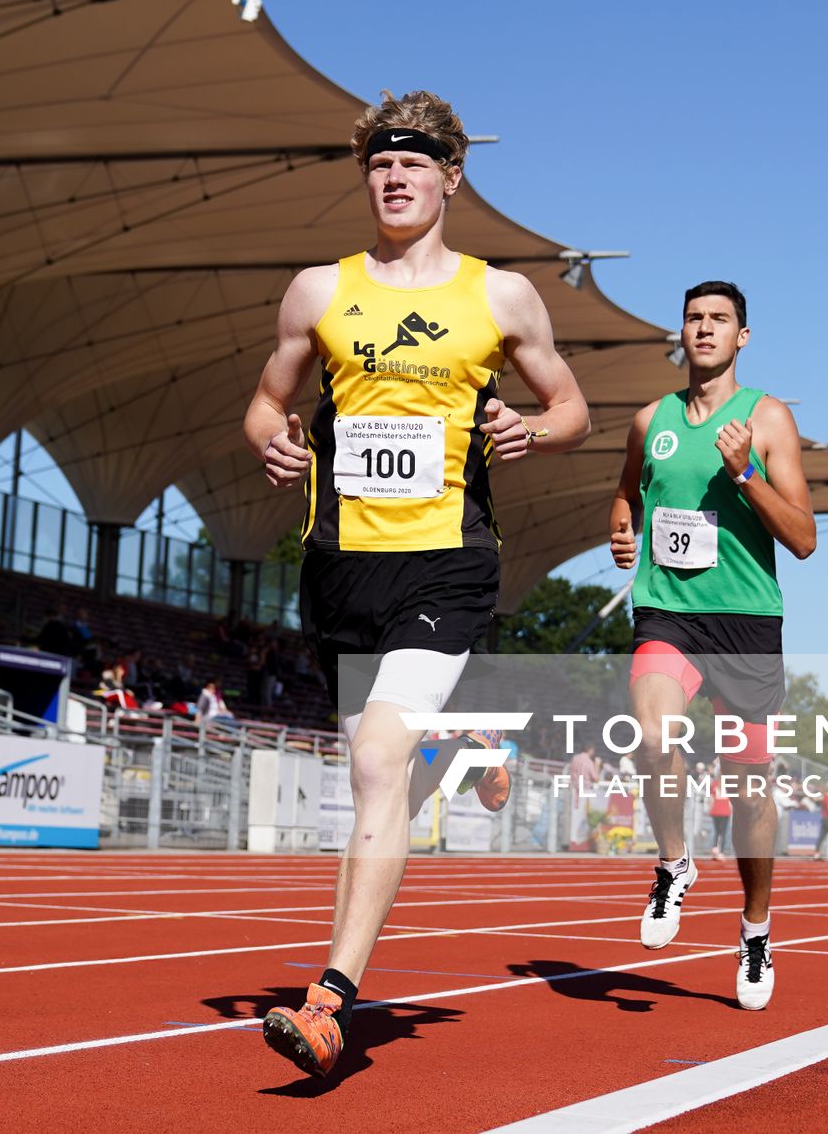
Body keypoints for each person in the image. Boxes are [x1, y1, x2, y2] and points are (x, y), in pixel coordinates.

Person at [247, 89, 590, 1078]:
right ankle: (449, 758)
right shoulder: (319, 291)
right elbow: (266, 402)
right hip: (341, 565)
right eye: (380, 165)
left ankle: (329, 999)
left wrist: (530, 429)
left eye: (413, 164)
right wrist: (273, 443)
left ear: (451, 178)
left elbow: (569, 407)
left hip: (448, 561)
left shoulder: (502, 295)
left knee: (375, 761)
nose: (394, 178)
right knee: (378, 772)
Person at [607, 279, 816, 1013]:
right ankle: (674, 864)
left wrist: (746, 473)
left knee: (750, 789)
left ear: (741, 337)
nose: (704, 329)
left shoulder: (767, 417)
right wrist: (622, 529)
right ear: (682, 332)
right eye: (694, 318)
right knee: (652, 732)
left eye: (719, 319)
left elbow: (803, 538)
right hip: (669, 613)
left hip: (747, 623)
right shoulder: (651, 420)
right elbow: (627, 492)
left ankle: (756, 927)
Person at [567, 741, 602, 853]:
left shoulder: (575, 758)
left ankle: (572, 840)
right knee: (586, 816)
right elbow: (595, 778)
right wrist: (597, 765)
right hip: (585, 790)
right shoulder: (589, 762)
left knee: (574, 816)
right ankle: (582, 841)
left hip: (574, 789)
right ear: (590, 750)